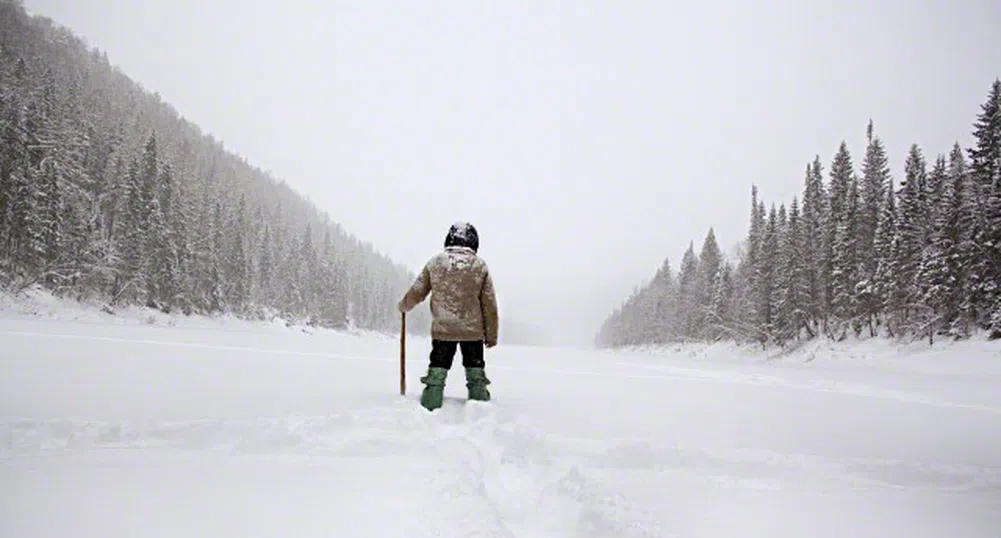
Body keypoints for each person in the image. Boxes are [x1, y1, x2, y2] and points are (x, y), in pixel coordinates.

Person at [398, 222, 499, 411]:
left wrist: (404, 305)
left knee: (438, 367)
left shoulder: (436, 263)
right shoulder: (479, 266)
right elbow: (489, 305)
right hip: (472, 332)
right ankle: (480, 408)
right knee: (475, 373)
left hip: (443, 330)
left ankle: (430, 404)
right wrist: (491, 335)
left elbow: (418, 290)